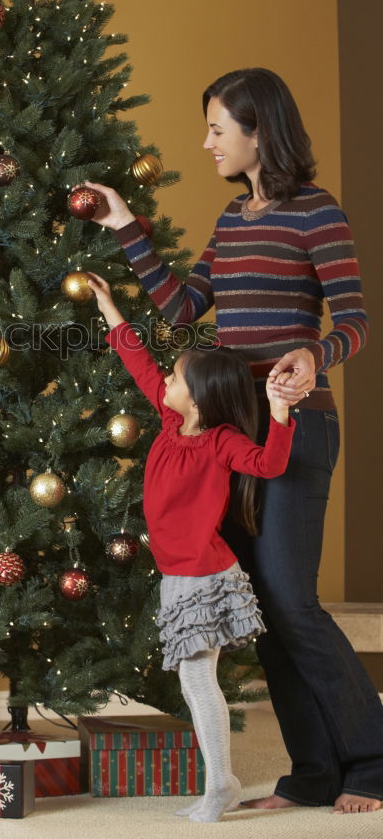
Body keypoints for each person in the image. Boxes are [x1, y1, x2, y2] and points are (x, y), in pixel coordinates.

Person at [83, 66, 383, 815]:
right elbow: (185, 307)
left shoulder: (318, 214)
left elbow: (354, 321)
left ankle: (373, 764)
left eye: (219, 128)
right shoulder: (233, 219)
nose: (208, 141)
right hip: (234, 434)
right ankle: (313, 773)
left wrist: (315, 354)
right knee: (265, 612)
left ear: (259, 132)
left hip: (297, 424)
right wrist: (126, 225)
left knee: (293, 603)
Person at [88, 271, 295, 822]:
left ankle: (220, 786)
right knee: (193, 681)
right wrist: (109, 308)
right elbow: (139, 364)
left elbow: (269, 464)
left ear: (199, 397)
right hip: (177, 573)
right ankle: (218, 784)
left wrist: (278, 414)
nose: (167, 384)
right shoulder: (168, 422)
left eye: (176, 378)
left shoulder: (220, 442)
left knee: (198, 682)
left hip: (203, 576)